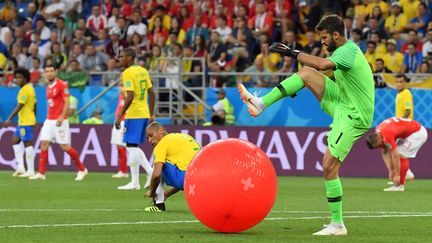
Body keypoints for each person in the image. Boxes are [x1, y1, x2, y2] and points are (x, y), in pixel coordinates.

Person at [238, 15, 375, 235]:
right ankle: (261, 103)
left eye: (324, 37)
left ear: (336, 35)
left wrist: (291, 52)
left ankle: (338, 225)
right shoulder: (341, 53)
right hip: (342, 102)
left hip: (354, 115)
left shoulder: (348, 52)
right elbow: (322, 72)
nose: (322, 41)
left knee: (329, 165)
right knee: (306, 74)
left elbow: (322, 64)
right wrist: (297, 86)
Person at [29, 64, 88, 181]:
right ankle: (41, 173)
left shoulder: (62, 84)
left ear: (56, 72)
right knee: (44, 143)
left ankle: (82, 169)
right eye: (47, 71)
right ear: (45, 73)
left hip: (60, 120)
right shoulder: (48, 87)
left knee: (65, 146)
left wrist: (62, 116)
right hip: (49, 119)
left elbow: (67, 102)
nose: (49, 73)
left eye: (51, 71)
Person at [115, 48, 155, 190]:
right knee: (133, 146)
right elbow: (151, 92)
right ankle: (150, 173)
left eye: (122, 57)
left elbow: (130, 95)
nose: (119, 59)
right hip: (143, 112)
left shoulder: (127, 73)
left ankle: (135, 182)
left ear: (130, 58)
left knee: (131, 146)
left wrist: (120, 115)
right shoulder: (143, 71)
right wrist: (150, 113)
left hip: (134, 113)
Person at [144, 122, 201, 212]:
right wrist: (166, 194)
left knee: (157, 165)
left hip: (185, 179)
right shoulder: (183, 137)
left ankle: (159, 205)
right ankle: (162, 197)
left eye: (151, 135)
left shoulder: (162, 144)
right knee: (179, 165)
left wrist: (152, 191)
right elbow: (186, 172)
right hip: (202, 180)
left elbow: (156, 175)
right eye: (147, 138)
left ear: (161, 130)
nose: (150, 140)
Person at [366, 117, 427, 191]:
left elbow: (395, 156)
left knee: (400, 155)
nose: (380, 146)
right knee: (395, 152)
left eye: (378, 145)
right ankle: (407, 174)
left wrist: (397, 175)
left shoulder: (386, 134)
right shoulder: (378, 132)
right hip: (407, 134)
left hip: (417, 133)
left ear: (378, 139)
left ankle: (399, 186)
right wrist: (391, 171)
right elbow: (384, 152)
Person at [3, 68, 36, 177]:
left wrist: (9, 118)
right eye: (16, 77)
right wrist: (35, 118)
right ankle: (21, 167)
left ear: (25, 78)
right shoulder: (30, 88)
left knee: (27, 143)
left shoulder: (24, 90)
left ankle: (30, 170)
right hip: (26, 120)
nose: (17, 80)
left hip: (25, 121)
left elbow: (20, 105)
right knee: (15, 140)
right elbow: (35, 104)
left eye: (20, 77)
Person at [394, 74, 415, 181]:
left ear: (405, 83)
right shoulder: (399, 94)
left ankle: (405, 174)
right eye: (397, 82)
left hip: (405, 126)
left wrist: (399, 122)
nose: (399, 84)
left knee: (397, 151)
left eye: (401, 81)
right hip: (402, 125)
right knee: (398, 151)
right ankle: (406, 173)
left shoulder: (406, 93)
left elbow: (407, 110)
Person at [111, 83, 128, 179]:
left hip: (124, 121)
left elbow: (129, 98)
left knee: (122, 146)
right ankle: (121, 170)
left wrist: (124, 92)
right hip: (118, 121)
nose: (120, 87)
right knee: (118, 146)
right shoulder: (121, 95)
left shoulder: (127, 94)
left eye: (122, 85)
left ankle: (124, 171)